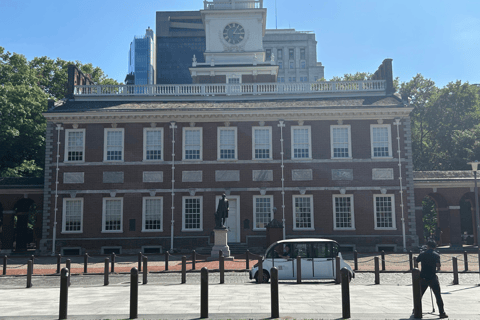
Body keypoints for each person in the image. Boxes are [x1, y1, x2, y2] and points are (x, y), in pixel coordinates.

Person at [416, 240, 448, 319]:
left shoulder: (422, 254)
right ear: (435, 247)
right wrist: (438, 268)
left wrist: (418, 270)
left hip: (423, 276)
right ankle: (442, 312)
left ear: (427, 246)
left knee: (419, 295)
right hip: (432, 277)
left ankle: (416, 310)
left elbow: (416, 261)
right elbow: (438, 265)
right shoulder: (436, 255)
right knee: (438, 296)